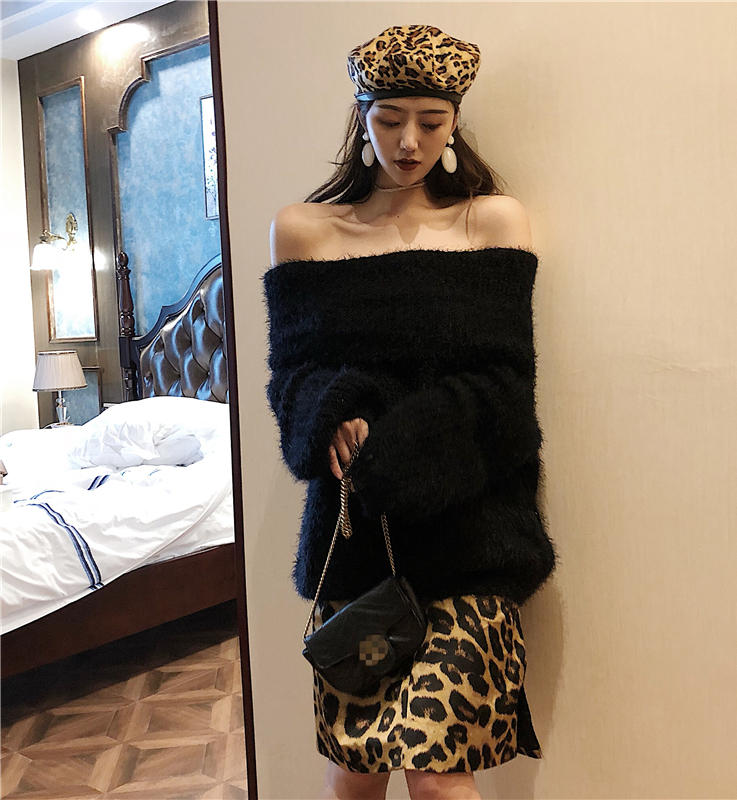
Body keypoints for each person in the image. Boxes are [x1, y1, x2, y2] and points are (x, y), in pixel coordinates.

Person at [264, 24, 557, 800]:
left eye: (431, 121)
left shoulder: (491, 221)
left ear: (455, 122)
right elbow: (290, 379)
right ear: (361, 117)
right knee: (356, 777)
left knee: (438, 782)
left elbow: (507, 391)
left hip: (472, 540)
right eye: (390, 118)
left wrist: (398, 449)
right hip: (358, 545)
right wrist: (330, 414)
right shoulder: (303, 231)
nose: (408, 141)